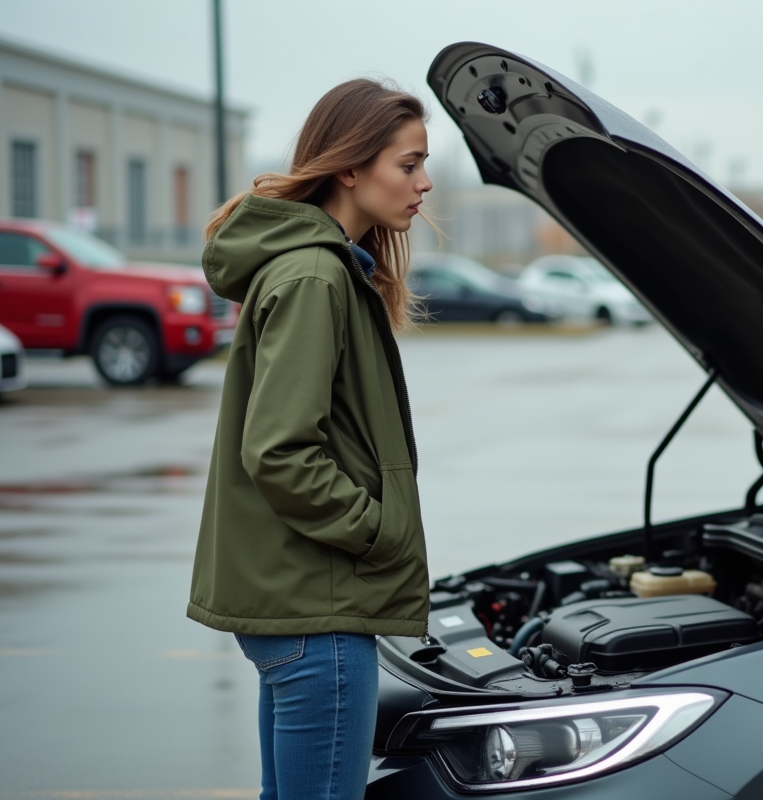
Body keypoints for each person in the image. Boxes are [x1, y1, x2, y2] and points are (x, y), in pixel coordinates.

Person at [187, 77, 433, 800]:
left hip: (299, 598)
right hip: (315, 606)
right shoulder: (314, 277)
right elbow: (281, 450)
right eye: (408, 164)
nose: (424, 184)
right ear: (350, 168)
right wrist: (377, 532)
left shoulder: (320, 268)